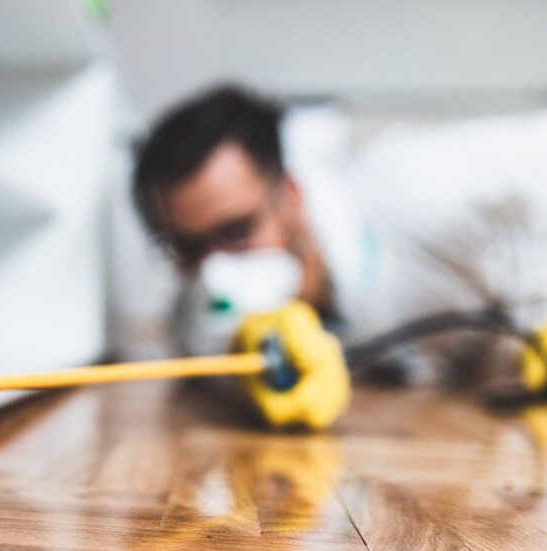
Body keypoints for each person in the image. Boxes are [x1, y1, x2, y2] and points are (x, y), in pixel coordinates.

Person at [132, 85, 547, 392]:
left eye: (236, 232)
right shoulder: (197, 320)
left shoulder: (416, 185)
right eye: (188, 248)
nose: (215, 271)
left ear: (290, 195)